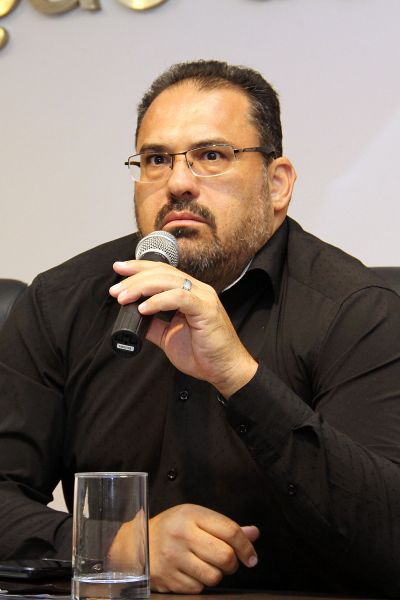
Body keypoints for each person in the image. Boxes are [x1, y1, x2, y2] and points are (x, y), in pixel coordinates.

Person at [0, 59, 400, 598]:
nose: (178, 183)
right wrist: (114, 545)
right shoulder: (63, 301)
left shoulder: (357, 310)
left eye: (211, 156)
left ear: (277, 184)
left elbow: (390, 536)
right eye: (156, 160)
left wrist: (239, 377)